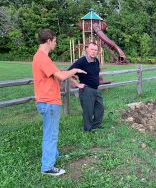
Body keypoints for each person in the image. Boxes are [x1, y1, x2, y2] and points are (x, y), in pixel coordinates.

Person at [32, 29, 86, 176]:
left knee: (50, 132)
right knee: (51, 134)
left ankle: (53, 156)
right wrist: (74, 70)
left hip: (47, 101)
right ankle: (47, 167)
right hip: (48, 101)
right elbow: (61, 76)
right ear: (49, 41)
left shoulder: (42, 58)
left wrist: (72, 80)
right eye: (55, 41)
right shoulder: (42, 58)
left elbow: (56, 75)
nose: (55, 43)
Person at [68, 42, 104, 132]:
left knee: (100, 108)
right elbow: (68, 73)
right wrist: (76, 84)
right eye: (92, 49)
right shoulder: (82, 61)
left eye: (96, 50)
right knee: (88, 111)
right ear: (87, 49)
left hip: (96, 89)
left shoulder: (96, 61)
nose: (94, 52)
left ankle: (95, 126)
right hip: (86, 90)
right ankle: (88, 129)